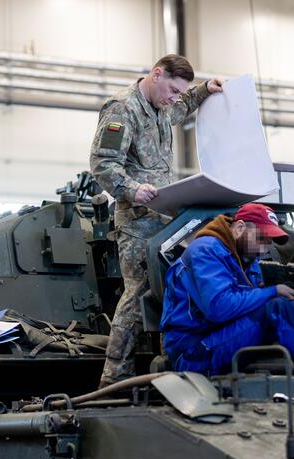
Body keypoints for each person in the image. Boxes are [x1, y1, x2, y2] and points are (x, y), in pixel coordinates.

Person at [90, 54, 224, 388]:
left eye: (180, 92)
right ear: (156, 74)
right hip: (136, 220)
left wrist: (205, 90)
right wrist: (133, 190)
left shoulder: (164, 105)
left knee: (172, 289)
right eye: (172, 89)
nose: (175, 98)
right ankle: (113, 379)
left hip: (166, 217)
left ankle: (170, 368)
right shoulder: (121, 109)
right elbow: (103, 164)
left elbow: (183, 106)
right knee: (137, 294)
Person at [160, 203, 294, 376]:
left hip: (219, 338)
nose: (264, 248)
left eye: (269, 241)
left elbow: (243, 303)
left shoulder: (248, 258)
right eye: (261, 238)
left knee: (289, 305)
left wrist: (270, 290)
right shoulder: (206, 251)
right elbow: (218, 307)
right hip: (193, 351)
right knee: (277, 307)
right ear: (239, 228)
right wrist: (271, 292)